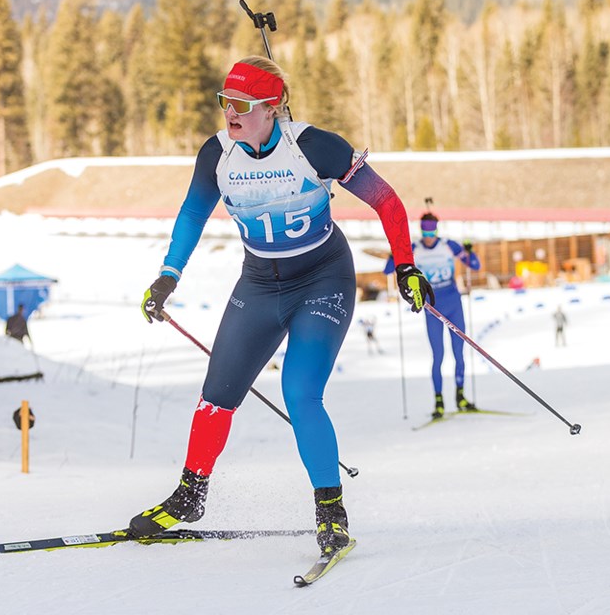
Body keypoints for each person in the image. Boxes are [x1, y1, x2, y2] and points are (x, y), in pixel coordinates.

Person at [130, 56, 433, 557]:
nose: (230, 113)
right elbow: (192, 213)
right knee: (216, 395)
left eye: (243, 105)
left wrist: (405, 265)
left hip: (323, 279)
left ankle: (330, 512)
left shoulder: (313, 147)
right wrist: (169, 275)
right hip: (260, 284)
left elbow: (386, 200)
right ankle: (190, 496)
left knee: (300, 392)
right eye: (225, 102)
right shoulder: (217, 154)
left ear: (273, 108)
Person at [384, 212, 480, 419]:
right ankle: (439, 402)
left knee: (459, 353)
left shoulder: (449, 245)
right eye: (425, 230)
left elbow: (475, 265)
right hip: (433, 307)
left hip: (454, 303)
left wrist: (470, 252)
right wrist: (394, 255)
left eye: (432, 230)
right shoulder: (413, 249)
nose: (428, 235)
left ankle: (460, 397)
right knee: (438, 356)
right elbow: (387, 271)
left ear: (437, 229)